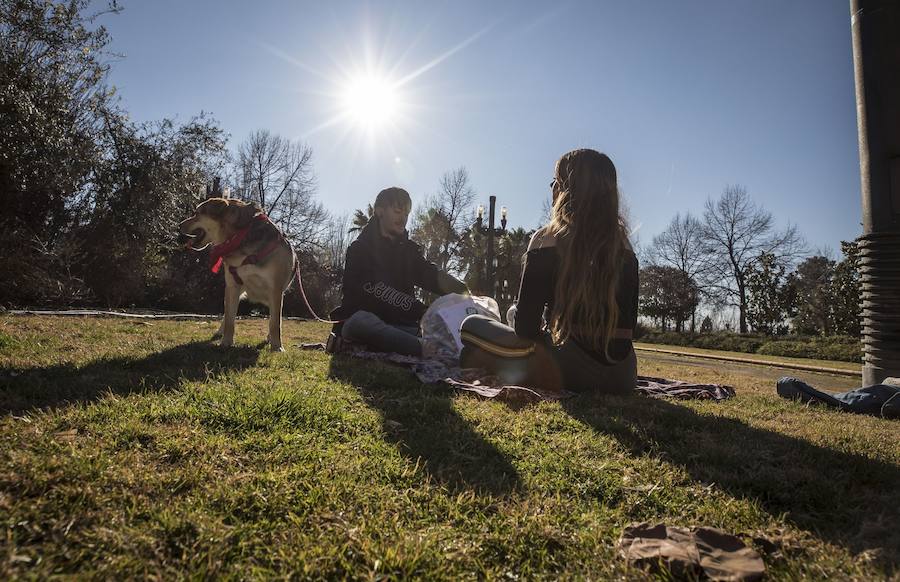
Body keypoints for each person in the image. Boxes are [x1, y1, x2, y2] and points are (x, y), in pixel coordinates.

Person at [460, 149, 639, 393]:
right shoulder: (625, 246)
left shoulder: (547, 238)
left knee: (471, 325)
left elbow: (525, 330)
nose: (552, 187)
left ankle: (490, 360)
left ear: (565, 190)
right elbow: (628, 325)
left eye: (555, 181)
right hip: (623, 377)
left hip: (569, 371)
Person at [330, 187, 468, 356]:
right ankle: (426, 349)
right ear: (380, 212)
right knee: (361, 322)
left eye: (406, 214)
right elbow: (375, 288)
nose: (403, 218)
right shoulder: (359, 249)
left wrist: (461, 289)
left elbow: (429, 273)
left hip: (401, 326)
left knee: (432, 331)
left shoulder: (409, 252)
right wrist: (421, 310)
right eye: (397, 211)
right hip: (363, 321)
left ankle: (422, 344)